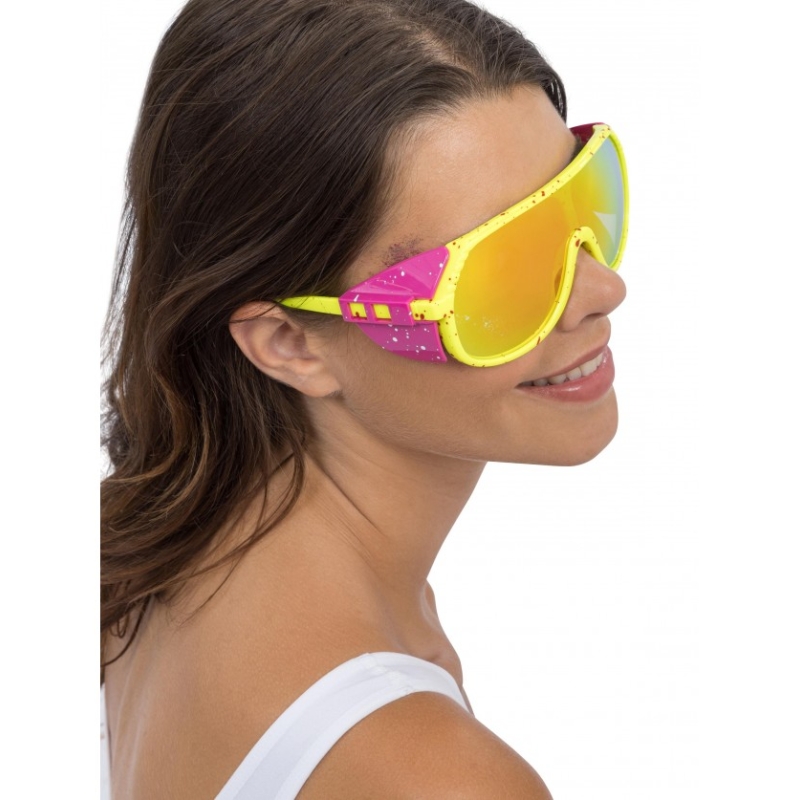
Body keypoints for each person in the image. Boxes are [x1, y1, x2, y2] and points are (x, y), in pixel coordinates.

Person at [100, 0, 628, 797]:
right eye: (499, 269)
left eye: (579, 204)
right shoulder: (438, 775)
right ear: (291, 342)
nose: (601, 290)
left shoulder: (146, 557)